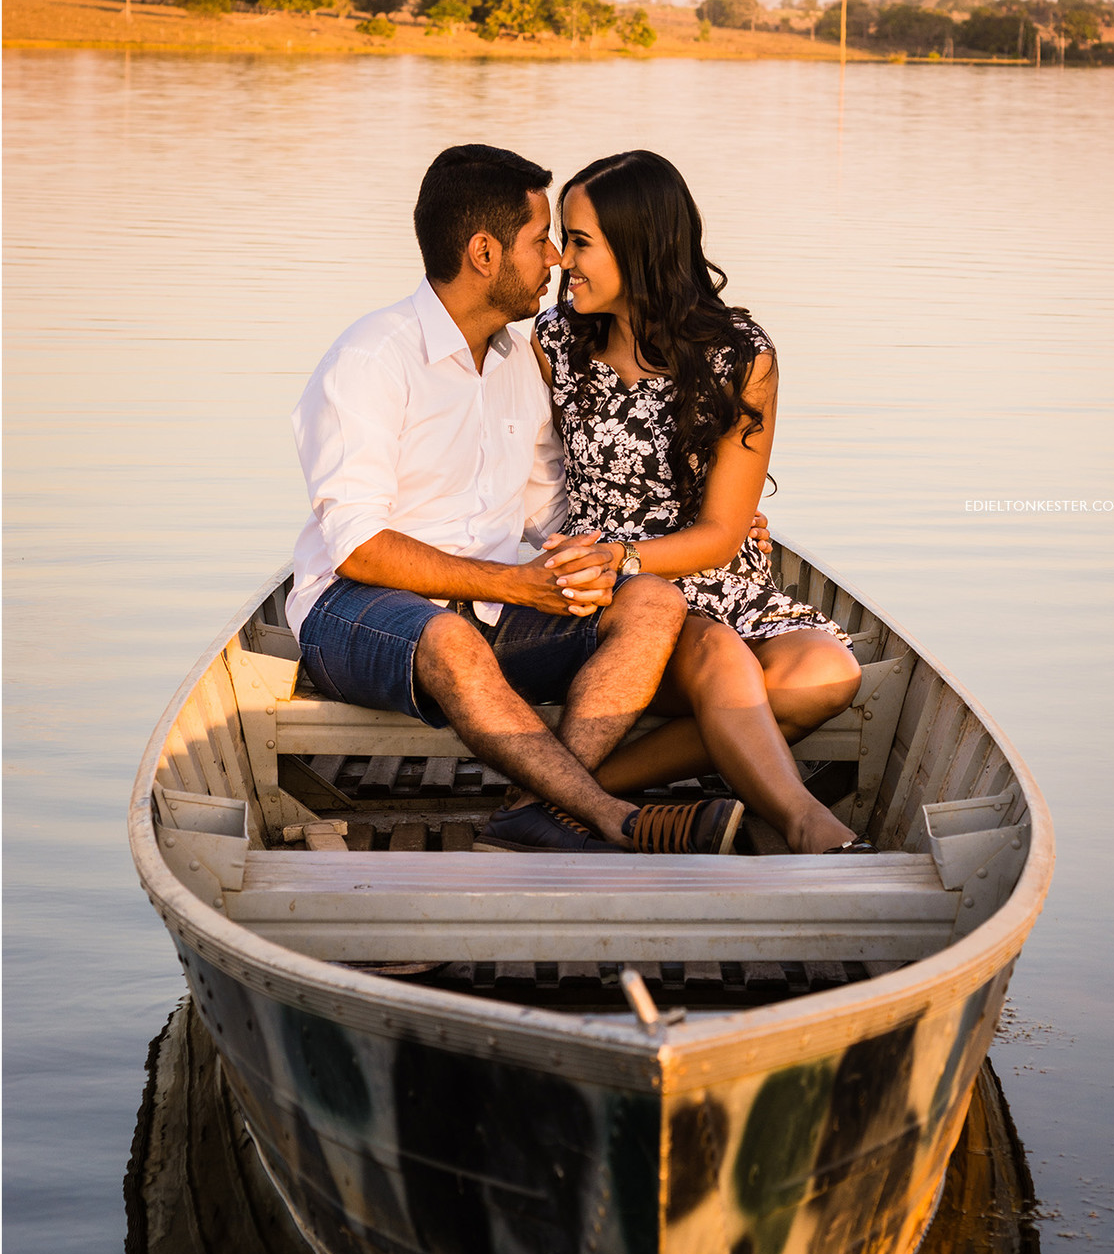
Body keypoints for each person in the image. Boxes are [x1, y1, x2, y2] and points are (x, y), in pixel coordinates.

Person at [285, 143, 743, 856]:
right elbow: (358, 545)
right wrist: (514, 585)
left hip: (497, 607)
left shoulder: (517, 361)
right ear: (483, 253)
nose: (557, 258)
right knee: (449, 638)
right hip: (355, 612)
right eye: (539, 241)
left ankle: (531, 809)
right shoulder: (372, 360)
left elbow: (547, 513)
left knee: (652, 602)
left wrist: (635, 551)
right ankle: (609, 817)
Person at [532, 149, 866, 854]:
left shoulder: (741, 357)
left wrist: (622, 549)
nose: (563, 260)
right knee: (717, 652)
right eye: (563, 239)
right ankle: (805, 821)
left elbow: (720, 533)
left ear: (640, 244)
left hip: (715, 575)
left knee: (824, 674)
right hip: (620, 600)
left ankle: (558, 794)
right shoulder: (552, 345)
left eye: (581, 241)